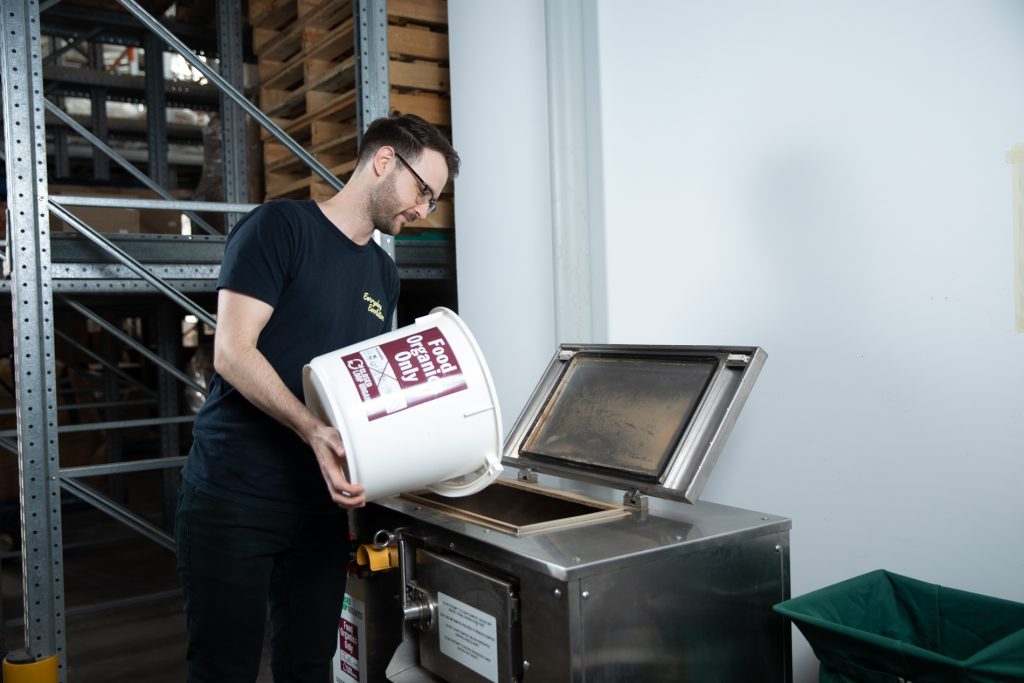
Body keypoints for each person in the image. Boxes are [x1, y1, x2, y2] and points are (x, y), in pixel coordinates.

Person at [175, 112, 460, 683]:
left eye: (433, 201)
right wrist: (312, 430)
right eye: (422, 191)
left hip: (319, 509)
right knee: (222, 669)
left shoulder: (384, 274)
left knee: (309, 666)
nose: (423, 211)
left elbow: (366, 390)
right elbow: (232, 351)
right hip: (235, 496)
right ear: (383, 162)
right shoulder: (281, 228)